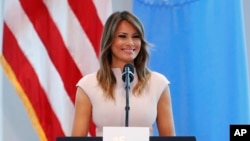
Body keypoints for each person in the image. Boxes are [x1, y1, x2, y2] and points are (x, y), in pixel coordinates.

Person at [71, 10, 175, 137]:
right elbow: (77, 138)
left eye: (136, 37)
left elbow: (169, 138)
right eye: (122, 36)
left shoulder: (158, 83)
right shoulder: (88, 85)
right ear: (109, 41)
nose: (130, 43)